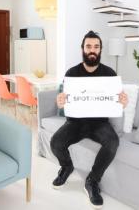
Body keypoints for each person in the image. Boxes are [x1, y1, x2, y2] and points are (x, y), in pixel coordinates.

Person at [50, 30, 128, 209]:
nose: (92, 50)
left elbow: (115, 101)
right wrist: (60, 101)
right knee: (55, 142)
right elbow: (64, 101)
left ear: (100, 50)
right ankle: (67, 167)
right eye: (88, 46)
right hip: (75, 122)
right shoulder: (72, 73)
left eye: (96, 47)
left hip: (99, 123)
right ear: (82, 49)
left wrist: (122, 102)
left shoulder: (109, 74)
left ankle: (92, 181)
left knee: (113, 142)